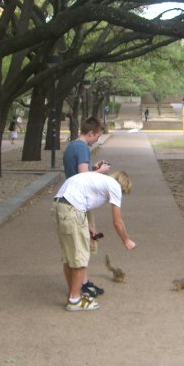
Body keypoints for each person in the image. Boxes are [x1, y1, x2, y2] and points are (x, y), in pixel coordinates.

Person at [51, 171, 136, 311]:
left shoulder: (98, 179)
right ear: (123, 186)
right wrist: (126, 240)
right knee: (81, 258)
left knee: (69, 257)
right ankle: (74, 301)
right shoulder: (115, 186)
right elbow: (117, 222)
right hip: (72, 209)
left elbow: (81, 201)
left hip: (59, 205)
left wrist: (88, 226)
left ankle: (74, 294)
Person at [62, 117, 110, 298]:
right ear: (90, 133)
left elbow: (79, 172)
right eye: (97, 136)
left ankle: (84, 282)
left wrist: (94, 168)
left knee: (79, 243)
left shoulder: (72, 145)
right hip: (79, 200)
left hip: (71, 198)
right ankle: (82, 285)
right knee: (84, 243)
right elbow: (84, 177)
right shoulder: (82, 148)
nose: (97, 139)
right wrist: (100, 172)